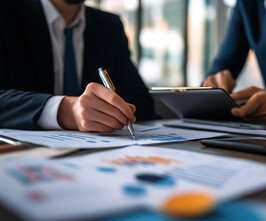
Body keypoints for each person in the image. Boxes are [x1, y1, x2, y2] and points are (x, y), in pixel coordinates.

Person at [0, 0, 157, 132]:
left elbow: (141, 104)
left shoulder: (108, 26)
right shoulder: (5, 15)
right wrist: (64, 111)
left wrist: (116, 110)